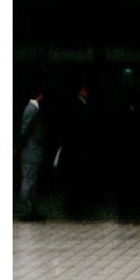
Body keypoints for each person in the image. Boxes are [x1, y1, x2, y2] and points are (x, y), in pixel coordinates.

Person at [58, 85, 93, 216]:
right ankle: (74, 205)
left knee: (75, 178)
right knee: (75, 178)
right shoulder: (77, 107)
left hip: (76, 149)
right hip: (77, 149)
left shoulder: (77, 106)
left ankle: (75, 204)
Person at [17, 88, 44, 220]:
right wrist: (19, 147)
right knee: (28, 181)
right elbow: (25, 131)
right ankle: (27, 210)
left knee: (30, 181)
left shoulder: (31, 109)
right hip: (30, 151)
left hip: (31, 151)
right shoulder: (31, 109)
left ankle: (30, 209)